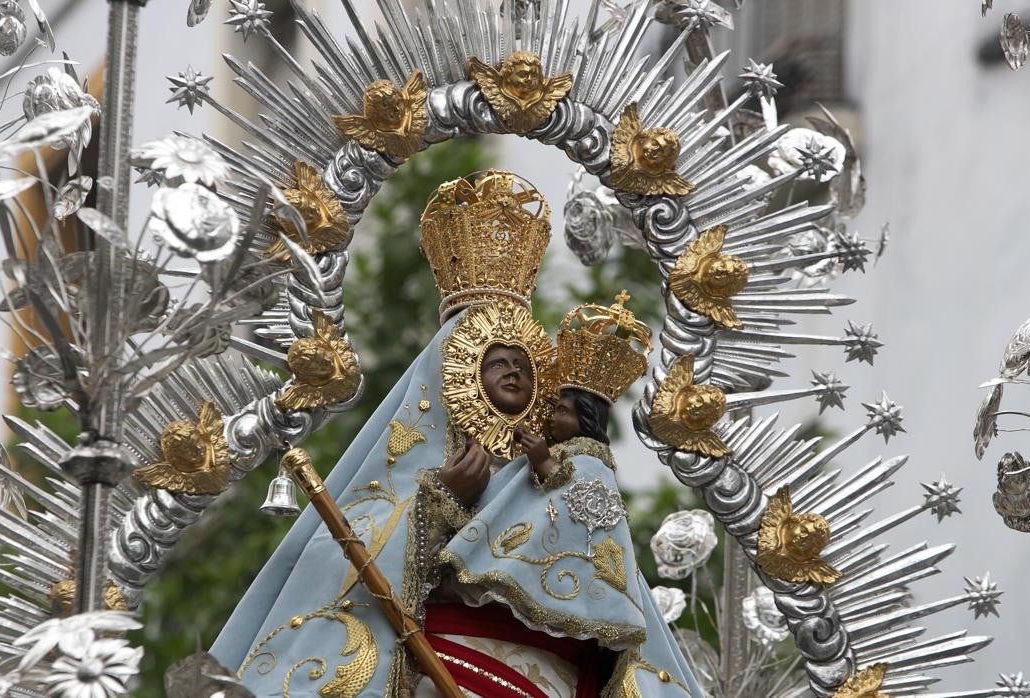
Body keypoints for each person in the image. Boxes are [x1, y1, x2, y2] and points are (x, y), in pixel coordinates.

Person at [210, 172, 699, 697]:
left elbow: (603, 586)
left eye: (523, 364)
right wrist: (436, 504)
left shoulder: (553, 467)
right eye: (498, 363)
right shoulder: (406, 467)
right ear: (458, 369)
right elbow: (343, 575)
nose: (515, 375)